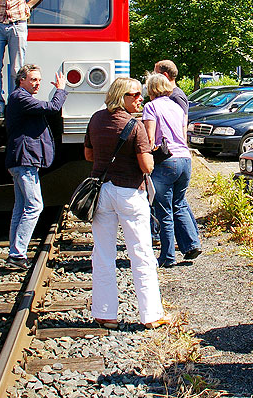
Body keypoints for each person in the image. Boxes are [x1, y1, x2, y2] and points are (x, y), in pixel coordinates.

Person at [85, 77, 169, 329]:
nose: (140, 98)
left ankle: (105, 313)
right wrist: (152, 156)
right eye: (135, 95)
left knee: (102, 253)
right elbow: (146, 165)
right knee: (141, 253)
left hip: (102, 192)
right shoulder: (134, 126)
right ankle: (151, 315)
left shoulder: (96, 119)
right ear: (121, 96)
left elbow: (89, 154)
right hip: (130, 193)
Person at [4, 64, 67, 269]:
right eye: (33, 79)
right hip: (25, 160)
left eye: (39, 80)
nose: (37, 83)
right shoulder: (21, 98)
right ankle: (17, 253)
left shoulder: (19, 98)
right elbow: (52, 108)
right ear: (21, 80)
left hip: (21, 160)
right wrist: (60, 89)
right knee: (34, 206)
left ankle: (15, 252)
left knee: (20, 207)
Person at [142, 73, 201, 267]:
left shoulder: (150, 107)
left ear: (151, 89)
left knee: (163, 210)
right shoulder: (176, 107)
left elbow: (150, 139)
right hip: (185, 159)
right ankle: (192, 243)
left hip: (166, 161)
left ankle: (167, 256)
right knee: (180, 203)